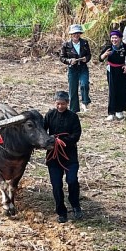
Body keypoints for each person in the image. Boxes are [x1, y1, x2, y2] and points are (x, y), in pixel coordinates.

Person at [44, 91, 83, 223]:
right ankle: (61, 211)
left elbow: (76, 135)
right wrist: (50, 141)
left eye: (63, 104)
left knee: (72, 181)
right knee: (56, 185)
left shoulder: (73, 117)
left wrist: (62, 141)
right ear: (54, 103)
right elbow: (42, 132)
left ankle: (76, 205)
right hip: (53, 157)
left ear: (68, 103)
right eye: (58, 104)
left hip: (70, 156)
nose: (60, 106)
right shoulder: (50, 115)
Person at [99, 30, 126, 121]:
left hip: (121, 70)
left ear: (120, 38)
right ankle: (111, 112)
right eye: (112, 38)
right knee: (112, 90)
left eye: (116, 38)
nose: (114, 40)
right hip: (111, 70)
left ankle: (119, 110)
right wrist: (105, 54)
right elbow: (100, 58)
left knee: (121, 90)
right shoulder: (108, 47)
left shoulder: (124, 47)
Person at [60, 24, 92, 113]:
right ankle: (74, 110)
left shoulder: (85, 43)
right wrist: (69, 61)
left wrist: (86, 59)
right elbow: (62, 57)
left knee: (84, 84)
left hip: (83, 67)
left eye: (78, 33)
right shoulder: (66, 44)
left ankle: (85, 102)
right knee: (73, 89)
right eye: (74, 33)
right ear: (71, 34)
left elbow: (89, 55)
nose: (76, 35)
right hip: (72, 69)